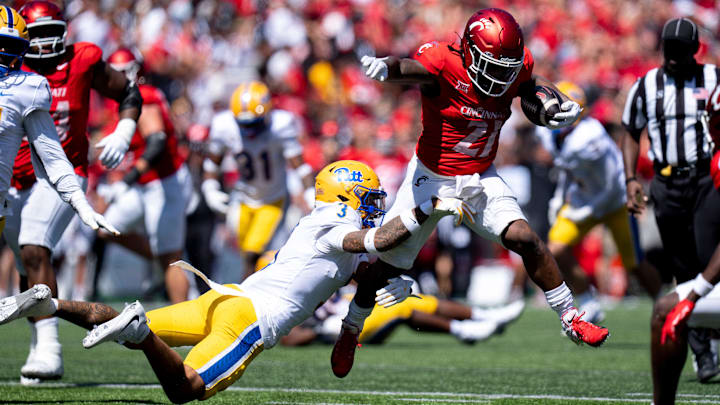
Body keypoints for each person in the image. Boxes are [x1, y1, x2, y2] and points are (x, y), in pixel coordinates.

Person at [0, 160, 473, 403]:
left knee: (127, 332)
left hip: (225, 298)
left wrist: (395, 291)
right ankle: (139, 331)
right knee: (186, 388)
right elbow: (380, 238)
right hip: (248, 318)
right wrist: (428, 208)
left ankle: (51, 303)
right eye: (368, 197)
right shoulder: (334, 226)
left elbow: (371, 270)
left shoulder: (327, 226)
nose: (375, 204)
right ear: (348, 196)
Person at [331, 8, 607, 378]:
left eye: (505, 68)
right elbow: (414, 68)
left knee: (527, 239)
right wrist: (389, 69)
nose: (499, 77)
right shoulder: (443, 60)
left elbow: (529, 82)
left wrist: (553, 99)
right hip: (430, 177)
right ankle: (351, 328)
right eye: (492, 65)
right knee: (382, 265)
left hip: (480, 177)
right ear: (470, 52)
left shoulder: (512, 66)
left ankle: (571, 317)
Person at [2, 1, 142, 384]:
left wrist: (124, 130)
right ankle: (38, 339)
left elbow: (128, 91)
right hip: (15, 181)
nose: (46, 44)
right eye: (38, 34)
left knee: (34, 247)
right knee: (24, 265)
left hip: (64, 174)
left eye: (52, 33)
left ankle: (51, 348)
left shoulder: (82, 59)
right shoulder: (14, 70)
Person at [622, 17, 720, 383]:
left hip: (707, 180)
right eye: (669, 50)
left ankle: (710, 331)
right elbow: (631, 132)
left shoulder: (714, 80)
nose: (674, 57)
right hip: (666, 183)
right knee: (683, 268)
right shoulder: (646, 85)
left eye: (682, 51)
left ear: (696, 49)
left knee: (711, 255)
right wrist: (631, 177)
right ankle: (702, 348)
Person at [540, 81, 661, 322]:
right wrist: (557, 199)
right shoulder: (547, 132)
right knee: (555, 249)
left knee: (634, 263)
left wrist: (586, 210)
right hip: (584, 199)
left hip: (614, 201)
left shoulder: (590, 136)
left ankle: (664, 303)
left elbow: (611, 182)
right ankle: (587, 300)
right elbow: (565, 169)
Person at [97, 48, 192, 304]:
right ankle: (160, 258)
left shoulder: (144, 96)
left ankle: (184, 320)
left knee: (171, 258)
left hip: (164, 181)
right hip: (144, 183)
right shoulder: (129, 97)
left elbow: (156, 142)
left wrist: (126, 180)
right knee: (106, 227)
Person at [202, 81, 314, 279]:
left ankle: (245, 296)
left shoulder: (281, 125)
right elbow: (212, 162)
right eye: (244, 124)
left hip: (273, 198)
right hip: (243, 197)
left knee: (253, 254)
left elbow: (300, 166)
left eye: (254, 123)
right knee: (245, 252)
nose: (249, 130)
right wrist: (209, 187)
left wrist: (309, 191)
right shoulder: (223, 125)